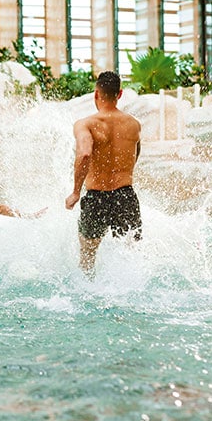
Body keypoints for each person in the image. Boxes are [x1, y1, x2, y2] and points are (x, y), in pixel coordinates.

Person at [65, 70, 142, 275]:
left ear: (96, 94)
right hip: (125, 196)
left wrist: (75, 192)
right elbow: (135, 154)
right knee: (131, 258)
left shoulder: (85, 124)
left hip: (96, 198)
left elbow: (84, 154)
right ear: (120, 94)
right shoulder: (134, 124)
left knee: (87, 258)